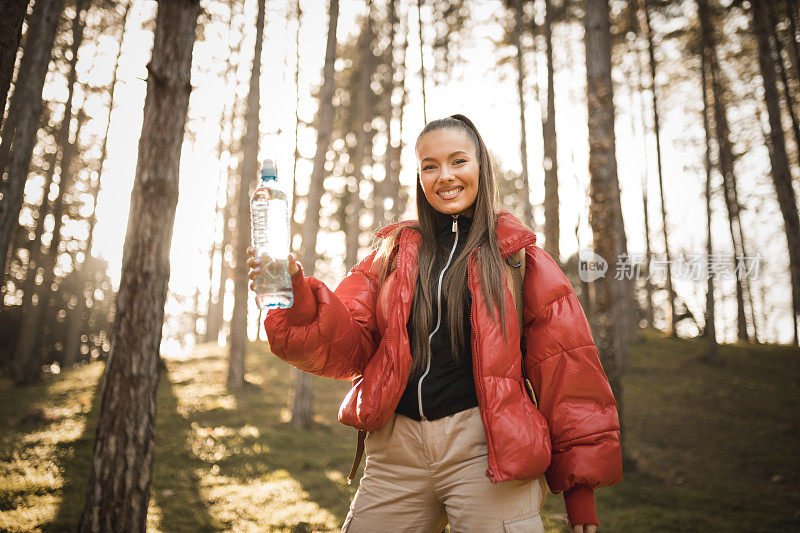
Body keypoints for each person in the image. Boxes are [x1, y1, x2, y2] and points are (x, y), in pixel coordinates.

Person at [248, 114, 622, 532]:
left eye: (458, 161)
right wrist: (298, 296)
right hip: (396, 453)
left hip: (486, 450)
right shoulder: (388, 256)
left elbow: (569, 373)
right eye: (430, 166)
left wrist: (580, 491)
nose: (444, 176)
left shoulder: (520, 258)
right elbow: (346, 349)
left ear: (481, 166)